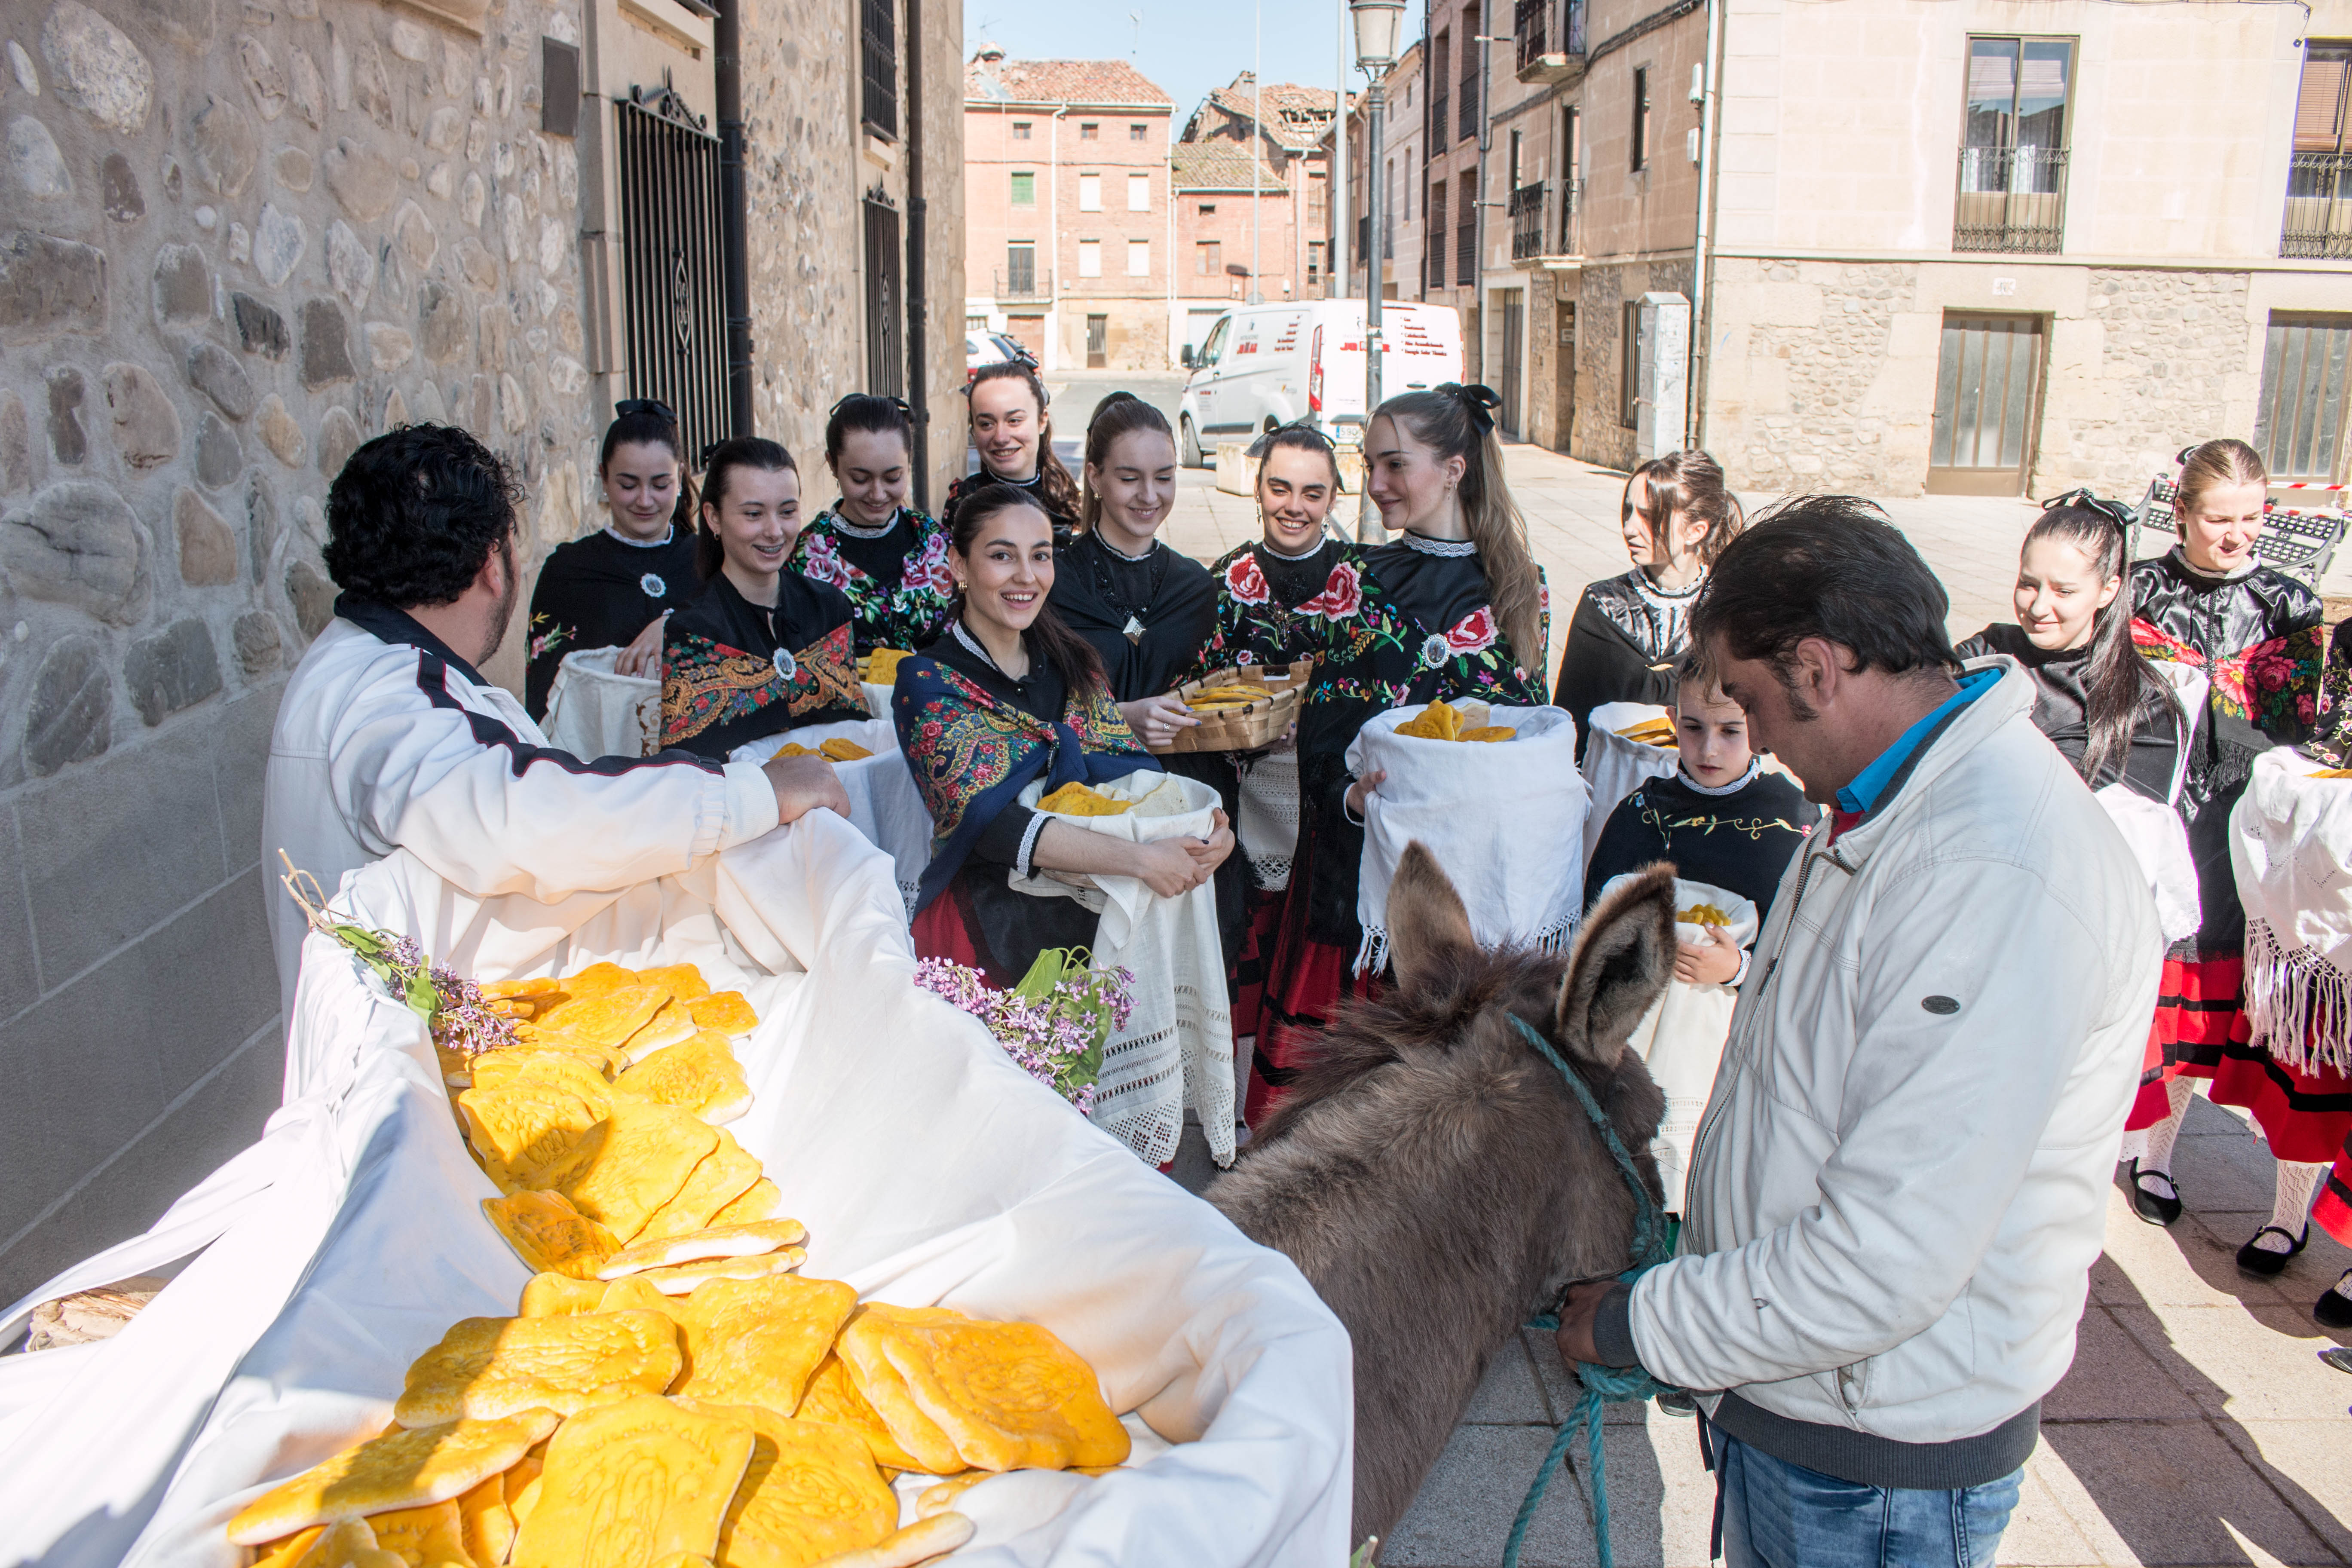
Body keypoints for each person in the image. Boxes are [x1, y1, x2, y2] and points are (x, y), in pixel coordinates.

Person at [1556, 497, 2162, 1568]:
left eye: (1750, 701)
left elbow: (1883, 1258)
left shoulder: (1987, 871)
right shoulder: (1897, 806)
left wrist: (1639, 1325)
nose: (1765, 745)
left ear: (1818, 668)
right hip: (1813, 1408)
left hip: (1875, 1460)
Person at [263, 424, 848, 1015]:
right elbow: (523, 814)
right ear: (496, 561)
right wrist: (751, 793)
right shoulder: (390, 693)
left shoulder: (359, 660)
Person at [1252, 383, 1550, 1119]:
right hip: (1366, 873)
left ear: (1452, 467)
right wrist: (1346, 796)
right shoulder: (1359, 579)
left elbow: (1527, 733)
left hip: (1472, 878)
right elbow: (1323, 726)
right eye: (1370, 465)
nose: (1376, 484)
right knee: (1343, 1106)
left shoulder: (1520, 587)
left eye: (1393, 465)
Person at [894, 482, 1235, 987]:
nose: (1026, 577)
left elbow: (1133, 773)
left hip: (1092, 925)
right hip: (987, 934)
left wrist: (1207, 831)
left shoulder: (1072, 662)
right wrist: (1142, 860)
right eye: (1002, 556)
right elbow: (994, 826)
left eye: (1041, 556)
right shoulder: (929, 682)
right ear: (959, 566)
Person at [2123, 440, 2324, 1245]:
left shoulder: (2290, 603)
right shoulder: (2137, 588)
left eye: (2251, 517)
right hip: (2168, 815)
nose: (2238, 534)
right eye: (2219, 519)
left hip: (2262, 830)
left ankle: (2288, 1217)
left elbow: (2314, 727)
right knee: (2170, 1008)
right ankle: (2153, 1158)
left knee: (2292, 1029)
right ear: (2181, 513)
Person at [1584, 650, 1818, 1256]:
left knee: (1701, 1178)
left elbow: (1806, 947)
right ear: (1673, 720)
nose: (1709, 749)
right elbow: (1595, 910)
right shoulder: (1643, 811)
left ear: (1758, 730)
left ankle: (1686, 1257)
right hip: (1632, 1031)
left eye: (1730, 732)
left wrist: (1736, 967)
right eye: (1693, 728)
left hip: (1726, 1043)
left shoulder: (1788, 822)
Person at [1186, 424, 1358, 1108]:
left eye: (1313, 492)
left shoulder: (1362, 579)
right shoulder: (1223, 582)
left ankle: (1311, 1096)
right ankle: (1238, 1100)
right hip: (1248, 799)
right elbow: (1197, 692)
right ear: (1256, 488)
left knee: (1315, 961)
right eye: (1281, 487)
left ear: (1334, 495)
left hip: (1335, 806)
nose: (1296, 505)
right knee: (1250, 951)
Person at [1954, 494, 2183, 802]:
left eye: (2063, 591)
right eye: (2028, 584)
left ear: (2107, 591)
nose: (2038, 608)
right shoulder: (1986, 652)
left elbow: (2129, 823)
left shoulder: (2142, 701)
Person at [658, 438, 868, 760]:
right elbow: (690, 767)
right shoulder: (694, 630)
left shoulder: (829, 606)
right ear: (714, 518)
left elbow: (857, 735)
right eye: (754, 514)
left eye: (787, 512)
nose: (774, 531)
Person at [1552, 450, 1743, 759]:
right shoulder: (1603, 604)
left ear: (1696, 530)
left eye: (1648, 516)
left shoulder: (1727, 611)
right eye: (1628, 511)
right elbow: (1570, 719)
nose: (1629, 528)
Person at [522, 400, 700, 720]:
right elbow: (546, 697)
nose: (645, 500)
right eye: (628, 485)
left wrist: (676, 625)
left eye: (661, 485)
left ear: (680, 476)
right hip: (604, 762)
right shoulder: (568, 571)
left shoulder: (710, 560)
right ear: (604, 478)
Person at [788, 394, 958, 655]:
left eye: (893, 478)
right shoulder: (802, 560)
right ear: (833, 464)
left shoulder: (938, 543)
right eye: (860, 479)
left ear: (909, 461)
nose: (878, 494)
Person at [937, 361, 1082, 538]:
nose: (1001, 437)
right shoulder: (965, 502)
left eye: (1014, 421)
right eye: (987, 424)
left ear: (1042, 421)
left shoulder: (1064, 495)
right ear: (973, 431)